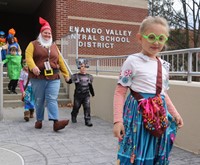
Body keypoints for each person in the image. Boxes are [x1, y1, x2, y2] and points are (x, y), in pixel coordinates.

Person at [113, 16, 184, 165]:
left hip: (158, 115)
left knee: (155, 150)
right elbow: (120, 92)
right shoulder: (132, 61)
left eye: (161, 38)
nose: (156, 42)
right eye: (151, 37)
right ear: (140, 38)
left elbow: (163, 93)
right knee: (135, 150)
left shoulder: (164, 65)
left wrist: (175, 113)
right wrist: (117, 121)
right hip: (136, 115)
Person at [25, 17, 70, 132]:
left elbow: (60, 61)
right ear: (41, 33)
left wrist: (66, 74)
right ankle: (39, 120)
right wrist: (33, 66)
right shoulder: (33, 44)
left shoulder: (54, 46)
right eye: (45, 32)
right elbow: (28, 56)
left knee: (52, 98)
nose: (47, 35)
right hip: (38, 77)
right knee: (39, 99)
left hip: (54, 77)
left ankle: (56, 122)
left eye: (49, 33)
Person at [67, 59, 95, 127]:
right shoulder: (76, 76)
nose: (83, 68)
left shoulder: (89, 76)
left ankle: (87, 120)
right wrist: (67, 79)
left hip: (86, 95)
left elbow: (90, 85)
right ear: (79, 67)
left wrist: (92, 93)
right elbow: (70, 81)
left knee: (87, 107)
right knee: (76, 107)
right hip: (78, 95)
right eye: (82, 66)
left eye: (84, 66)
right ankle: (74, 115)